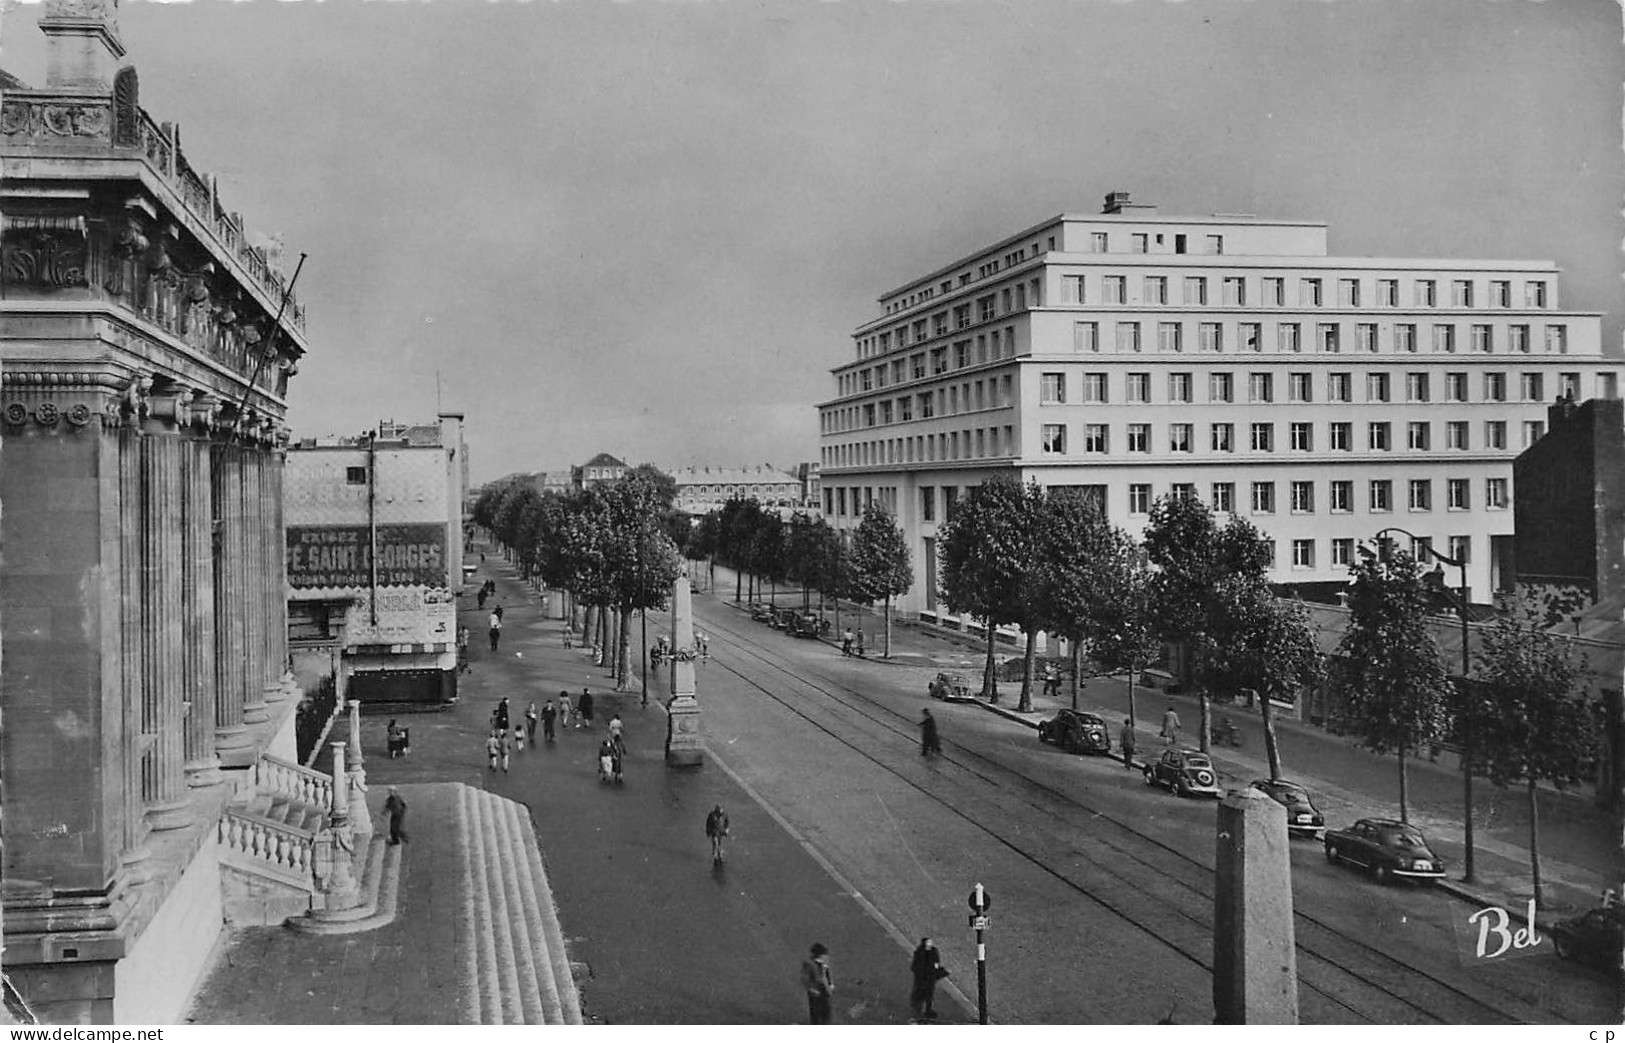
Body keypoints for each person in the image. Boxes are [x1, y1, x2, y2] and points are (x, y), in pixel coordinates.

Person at [909, 938, 946, 1022]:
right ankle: (920, 1011)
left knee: (928, 994)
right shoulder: (920, 952)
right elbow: (916, 964)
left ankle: (927, 1010)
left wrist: (936, 969)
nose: (930, 944)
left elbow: (936, 962)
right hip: (922, 977)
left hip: (929, 977)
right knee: (921, 993)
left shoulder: (932, 951)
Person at [801, 943, 834, 1024]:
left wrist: (831, 984)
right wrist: (811, 989)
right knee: (815, 1010)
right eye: (825, 954)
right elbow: (805, 978)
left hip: (824, 989)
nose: (827, 956)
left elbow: (828, 973)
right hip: (815, 990)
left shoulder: (824, 963)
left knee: (826, 1010)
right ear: (820, 955)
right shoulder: (809, 964)